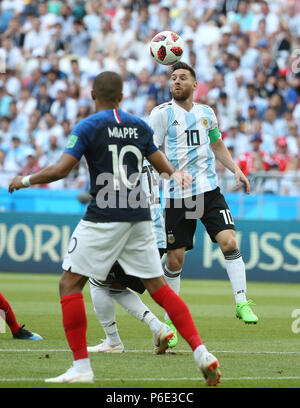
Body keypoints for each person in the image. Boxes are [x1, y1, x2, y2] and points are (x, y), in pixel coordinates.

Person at [9, 71, 221, 386]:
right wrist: (177, 174)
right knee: (160, 289)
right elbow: (162, 165)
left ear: (93, 95)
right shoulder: (139, 126)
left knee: (69, 284)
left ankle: (81, 366)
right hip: (139, 217)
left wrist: (24, 180)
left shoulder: (88, 126)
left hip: (104, 215)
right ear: (122, 96)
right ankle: (201, 352)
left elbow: (62, 169)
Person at [149, 62, 258, 349]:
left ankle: (241, 302)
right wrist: (172, 174)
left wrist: (235, 169)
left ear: (195, 85)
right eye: (173, 77)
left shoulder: (206, 113)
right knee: (174, 260)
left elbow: (217, 144)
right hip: (176, 195)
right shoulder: (161, 115)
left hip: (208, 191)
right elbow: (152, 154)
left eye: (183, 78)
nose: (177, 81)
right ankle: (170, 320)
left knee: (229, 241)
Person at [88, 164, 168, 354]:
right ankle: (157, 327)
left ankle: (113, 341)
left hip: (136, 237)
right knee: (115, 286)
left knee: (96, 280)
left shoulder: (124, 156)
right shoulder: (148, 154)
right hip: (158, 237)